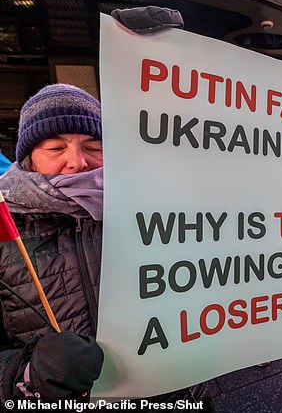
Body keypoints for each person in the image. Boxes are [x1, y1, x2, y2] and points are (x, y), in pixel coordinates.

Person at [0, 84, 214, 409]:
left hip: (178, 395)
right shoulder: (7, 232)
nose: (78, 162)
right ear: (29, 159)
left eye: (94, 146)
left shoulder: (152, 203)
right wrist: (28, 374)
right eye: (56, 148)